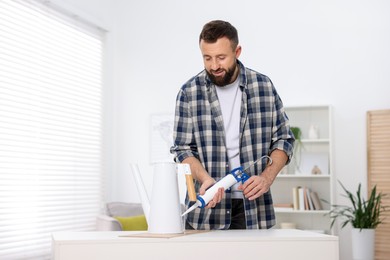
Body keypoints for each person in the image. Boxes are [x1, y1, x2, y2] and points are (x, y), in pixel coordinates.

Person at [170, 20, 295, 230]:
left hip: (255, 210)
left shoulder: (263, 87)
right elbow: (182, 149)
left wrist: (267, 177)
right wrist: (205, 178)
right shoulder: (189, 93)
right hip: (207, 211)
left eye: (221, 57)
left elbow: (284, 140)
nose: (214, 66)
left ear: (237, 51)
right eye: (207, 58)